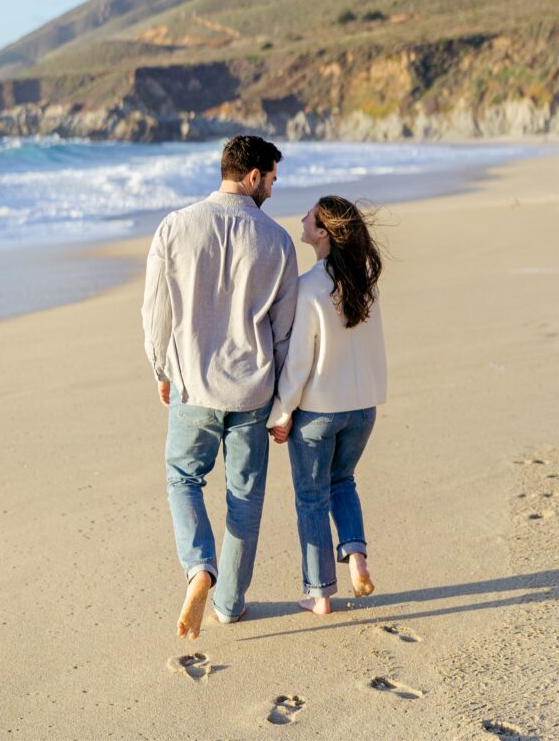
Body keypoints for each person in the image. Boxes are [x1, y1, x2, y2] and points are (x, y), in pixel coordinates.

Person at [142, 135, 298, 640]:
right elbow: (283, 332)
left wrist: (162, 369)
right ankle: (229, 603)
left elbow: (156, 312)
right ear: (252, 176)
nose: (273, 189)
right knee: (245, 498)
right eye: (271, 179)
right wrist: (283, 401)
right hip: (252, 392)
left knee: (183, 479)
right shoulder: (277, 241)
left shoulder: (175, 227)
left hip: (193, 385)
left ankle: (199, 568)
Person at [266, 195, 386, 614]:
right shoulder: (365, 282)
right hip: (364, 407)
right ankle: (356, 557)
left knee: (312, 498)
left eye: (309, 215)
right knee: (343, 482)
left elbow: (299, 362)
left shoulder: (310, 286)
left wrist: (281, 414)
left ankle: (319, 594)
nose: (301, 217)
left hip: (318, 411)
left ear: (322, 233)